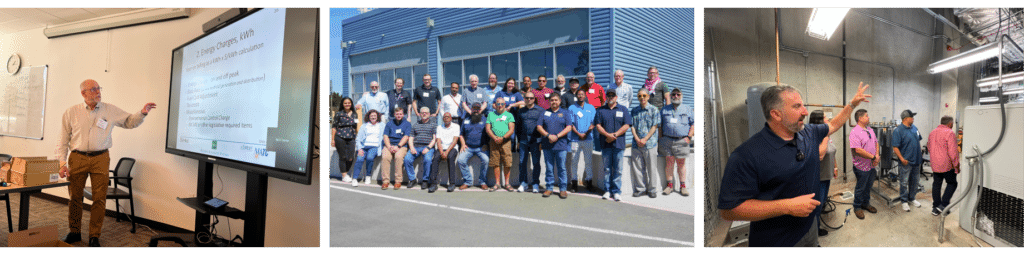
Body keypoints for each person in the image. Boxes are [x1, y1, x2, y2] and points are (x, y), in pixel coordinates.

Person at [718, 83, 871, 247]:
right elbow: (729, 210)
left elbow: (834, 124)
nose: (805, 112)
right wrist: (786, 207)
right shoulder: (747, 154)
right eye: (797, 106)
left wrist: (852, 104)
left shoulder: (808, 133)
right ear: (776, 114)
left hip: (809, 226)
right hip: (776, 240)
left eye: (803, 105)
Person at [56, 79, 157, 247]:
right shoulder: (71, 112)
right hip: (77, 157)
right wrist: (62, 163)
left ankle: (94, 236)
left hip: (100, 158)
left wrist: (142, 113)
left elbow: (129, 122)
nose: (98, 92)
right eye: (93, 89)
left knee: (99, 199)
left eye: (98, 88)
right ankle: (74, 232)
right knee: (75, 197)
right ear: (83, 93)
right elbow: (63, 139)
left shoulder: (109, 110)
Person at [594, 91, 632, 201]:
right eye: (608, 96)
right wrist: (607, 135)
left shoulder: (623, 109)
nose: (610, 98)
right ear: (606, 97)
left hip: (619, 144)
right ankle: (607, 190)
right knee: (607, 169)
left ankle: (616, 191)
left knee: (618, 169)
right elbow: (598, 125)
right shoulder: (601, 110)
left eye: (612, 96)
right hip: (605, 143)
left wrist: (614, 135)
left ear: (616, 97)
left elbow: (627, 125)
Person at [659, 89, 695, 196]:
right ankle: (669, 186)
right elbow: (660, 126)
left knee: (681, 164)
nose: (676, 96)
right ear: (670, 96)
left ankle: (683, 187)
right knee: (669, 162)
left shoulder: (688, 109)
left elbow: (692, 124)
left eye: (678, 94)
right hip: (667, 140)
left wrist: (689, 137)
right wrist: (660, 139)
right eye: (673, 94)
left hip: (681, 140)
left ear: (681, 96)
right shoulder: (664, 109)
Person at [536, 94, 572, 199]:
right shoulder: (544, 113)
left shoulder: (565, 113)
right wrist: (548, 135)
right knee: (549, 168)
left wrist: (556, 136)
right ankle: (549, 188)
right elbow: (539, 126)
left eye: (556, 100)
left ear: (560, 101)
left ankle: (563, 189)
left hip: (561, 146)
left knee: (561, 168)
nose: (554, 102)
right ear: (549, 101)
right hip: (547, 145)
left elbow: (569, 127)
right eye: (552, 100)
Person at [808, 110, 837, 237]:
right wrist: (825, 134)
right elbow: (820, 154)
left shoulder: (827, 136)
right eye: (825, 117)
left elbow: (832, 151)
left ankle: (815, 227)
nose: (828, 119)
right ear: (819, 121)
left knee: (822, 202)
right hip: (818, 178)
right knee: (816, 207)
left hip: (827, 175)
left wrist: (835, 167)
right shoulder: (814, 137)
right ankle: (814, 232)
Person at [848, 109, 879, 219]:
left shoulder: (870, 129)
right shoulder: (854, 132)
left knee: (868, 186)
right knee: (861, 187)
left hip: (871, 165)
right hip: (861, 166)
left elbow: (876, 143)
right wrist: (873, 157)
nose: (869, 117)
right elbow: (858, 150)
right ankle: (857, 207)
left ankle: (866, 204)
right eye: (867, 116)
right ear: (860, 118)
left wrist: (877, 156)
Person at [630, 90, 660, 198]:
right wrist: (637, 138)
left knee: (651, 167)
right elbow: (632, 126)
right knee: (637, 168)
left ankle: (652, 190)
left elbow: (655, 126)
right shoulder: (634, 110)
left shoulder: (654, 109)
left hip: (650, 144)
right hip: (636, 144)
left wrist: (645, 139)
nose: (642, 97)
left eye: (644, 95)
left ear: (648, 97)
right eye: (639, 96)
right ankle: (640, 189)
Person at [892, 109, 923, 212]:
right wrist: (901, 158)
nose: (913, 119)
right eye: (911, 117)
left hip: (917, 160)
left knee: (915, 181)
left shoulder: (915, 128)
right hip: (906, 162)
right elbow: (895, 147)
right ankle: (904, 201)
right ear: (905, 119)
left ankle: (912, 198)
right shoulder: (898, 131)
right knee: (904, 182)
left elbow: (918, 140)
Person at [515, 92, 546, 193]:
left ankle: (535, 183)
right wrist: (518, 141)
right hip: (523, 140)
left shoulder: (540, 111)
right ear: (524, 99)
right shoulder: (521, 111)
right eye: (527, 98)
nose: (529, 100)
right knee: (522, 162)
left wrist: (542, 141)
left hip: (536, 141)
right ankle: (523, 183)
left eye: (531, 98)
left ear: (534, 99)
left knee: (536, 163)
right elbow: (518, 127)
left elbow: (544, 126)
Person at [928, 116, 959, 216]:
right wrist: (957, 165)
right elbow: (953, 152)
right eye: (952, 123)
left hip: (935, 164)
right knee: (952, 183)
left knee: (937, 185)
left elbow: (929, 147)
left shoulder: (932, 132)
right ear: (950, 124)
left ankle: (935, 208)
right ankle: (943, 205)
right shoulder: (950, 133)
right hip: (947, 165)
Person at [567, 88, 596, 192]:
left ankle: (589, 182)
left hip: (588, 139)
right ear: (576, 96)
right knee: (574, 161)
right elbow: (570, 124)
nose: (580, 96)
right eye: (578, 94)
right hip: (575, 140)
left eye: (582, 94)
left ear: (585, 96)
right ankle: (574, 183)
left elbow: (593, 123)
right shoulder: (571, 108)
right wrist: (579, 134)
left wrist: (585, 134)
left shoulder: (591, 108)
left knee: (588, 161)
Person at [457, 103, 490, 190]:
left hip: (481, 147)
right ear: (471, 109)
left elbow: (488, 134)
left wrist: (486, 144)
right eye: (474, 108)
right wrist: (463, 144)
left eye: (478, 109)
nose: (476, 110)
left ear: (480, 110)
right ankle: (467, 181)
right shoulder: (466, 119)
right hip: (468, 147)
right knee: (460, 160)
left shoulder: (485, 119)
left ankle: (482, 181)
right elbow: (461, 135)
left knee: (486, 160)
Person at [486, 97, 516, 192]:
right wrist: (494, 138)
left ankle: (507, 183)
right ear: (495, 105)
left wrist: (502, 138)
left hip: (506, 142)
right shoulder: (491, 115)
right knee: (495, 162)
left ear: (505, 104)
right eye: (498, 104)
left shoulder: (509, 115)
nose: (500, 106)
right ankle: (497, 183)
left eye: (502, 104)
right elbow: (488, 129)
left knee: (507, 162)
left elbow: (511, 129)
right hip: (494, 141)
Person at [405, 107, 437, 189]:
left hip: (427, 147)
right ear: (419, 114)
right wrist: (411, 148)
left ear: (429, 114)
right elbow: (411, 138)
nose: (424, 114)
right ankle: (412, 180)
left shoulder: (433, 125)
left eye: (426, 112)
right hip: (416, 147)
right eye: (422, 112)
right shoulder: (415, 125)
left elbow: (434, 139)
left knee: (428, 160)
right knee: (407, 159)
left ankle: (425, 180)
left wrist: (428, 148)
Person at [352, 110, 385, 187]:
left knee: (370, 158)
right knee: (359, 159)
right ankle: (354, 178)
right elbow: (358, 139)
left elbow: (385, 136)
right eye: (371, 116)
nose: (373, 117)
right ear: (368, 117)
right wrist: (359, 148)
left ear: (377, 117)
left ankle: (368, 176)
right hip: (364, 147)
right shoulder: (364, 126)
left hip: (375, 147)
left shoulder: (382, 125)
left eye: (375, 115)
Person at [381, 108, 412, 190]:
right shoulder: (389, 123)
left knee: (398, 157)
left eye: (400, 114)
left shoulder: (407, 124)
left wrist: (398, 146)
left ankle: (398, 181)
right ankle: (385, 181)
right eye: (397, 114)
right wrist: (389, 146)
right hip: (389, 145)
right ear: (394, 114)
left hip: (401, 146)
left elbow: (406, 137)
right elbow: (385, 136)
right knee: (385, 157)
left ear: (403, 114)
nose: (399, 115)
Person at [331, 97, 361, 182]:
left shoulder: (355, 114)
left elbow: (356, 127)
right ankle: (344, 175)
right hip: (340, 137)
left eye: (349, 103)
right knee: (343, 156)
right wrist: (332, 139)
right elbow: (334, 127)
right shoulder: (338, 114)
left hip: (351, 137)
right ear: (342, 104)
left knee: (351, 157)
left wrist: (357, 137)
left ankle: (346, 173)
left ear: (351, 104)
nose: (347, 104)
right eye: (345, 103)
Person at [431, 112, 461, 193]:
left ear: (451, 118)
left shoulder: (456, 126)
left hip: (452, 148)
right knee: (435, 159)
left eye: (448, 117)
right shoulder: (439, 127)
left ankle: (452, 183)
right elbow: (438, 141)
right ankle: (433, 184)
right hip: (441, 148)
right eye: (444, 117)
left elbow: (455, 141)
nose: (446, 118)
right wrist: (441, 152)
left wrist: (446, 152)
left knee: (451, 158)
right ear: (443, 119)